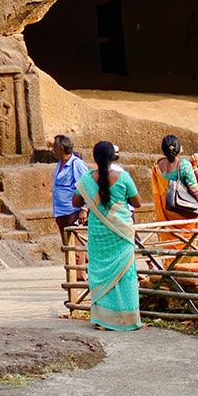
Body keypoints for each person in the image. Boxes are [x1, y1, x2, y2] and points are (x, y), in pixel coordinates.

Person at [72, 140, 143, 331]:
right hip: (121, 232)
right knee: (125, 275)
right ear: (114, 157)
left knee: (101, 274)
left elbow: (75, 201)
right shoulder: (124, 177)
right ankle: (129, 319)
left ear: (95, 158)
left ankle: (103, 319)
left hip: (98, 233)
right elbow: (137, 202)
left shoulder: (87, 179)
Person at [151, 134, 198, 248]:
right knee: (189, 245)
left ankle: (172, 263)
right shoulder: (184, 165)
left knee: (171, 246)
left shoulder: (157, 165)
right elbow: (195, 190)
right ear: (179, 149)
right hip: (184, 211)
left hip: (166, 211)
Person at [51, 135, 88, 235]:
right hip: (60, 210)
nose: (52, 150)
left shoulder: (77, 164)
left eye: (54, 147)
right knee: (66, 243)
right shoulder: (59, 163)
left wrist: (84, 209)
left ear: (61, 148)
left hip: (73, 210)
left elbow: (87, 186)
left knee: (74, 242)